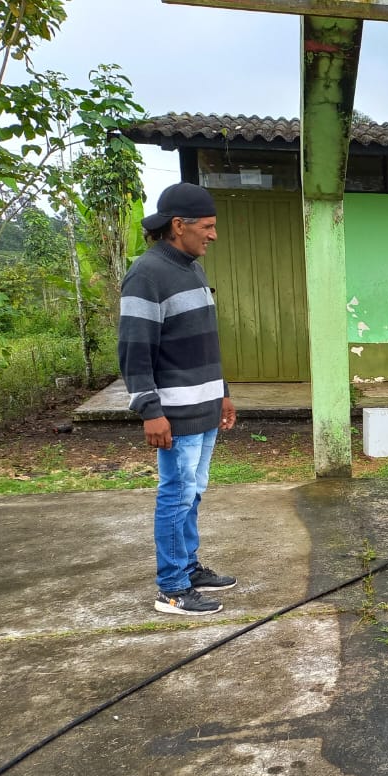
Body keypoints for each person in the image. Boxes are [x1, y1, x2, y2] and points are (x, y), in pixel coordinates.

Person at [119, 183, 238, 616]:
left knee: (193, 492)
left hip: (205, 406)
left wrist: (223, 393)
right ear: (178, 225)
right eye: (207, 227)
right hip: (175, 412)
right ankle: (171, 589)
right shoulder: (147, 274)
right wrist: (149, 410)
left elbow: (205, 343)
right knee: (176, 495)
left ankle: (188, 568)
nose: (213, 235)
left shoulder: (193, 269)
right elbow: (134, 349)